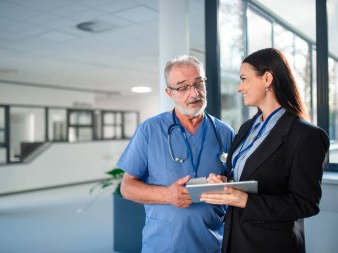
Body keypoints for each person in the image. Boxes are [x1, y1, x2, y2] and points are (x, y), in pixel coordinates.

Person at [200, 48, 330, 253]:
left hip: (271, 245)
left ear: (267, 78)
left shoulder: (306, 136)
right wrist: (226, 182)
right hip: (234, 241)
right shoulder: (246, 128)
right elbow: (244, 174)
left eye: (244, 79)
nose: (239, 88)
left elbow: (305, 204)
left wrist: (246, 201)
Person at [117, 55, 235, 253]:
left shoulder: (224, 132)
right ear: (169, 93)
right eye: (182, 87)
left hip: (213, 243)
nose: (194, 93)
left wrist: (225, 183)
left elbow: (237, 182)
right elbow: (127, 188)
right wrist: (166, 195)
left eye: (199, 84)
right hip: (163, 244)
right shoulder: (150, 131)